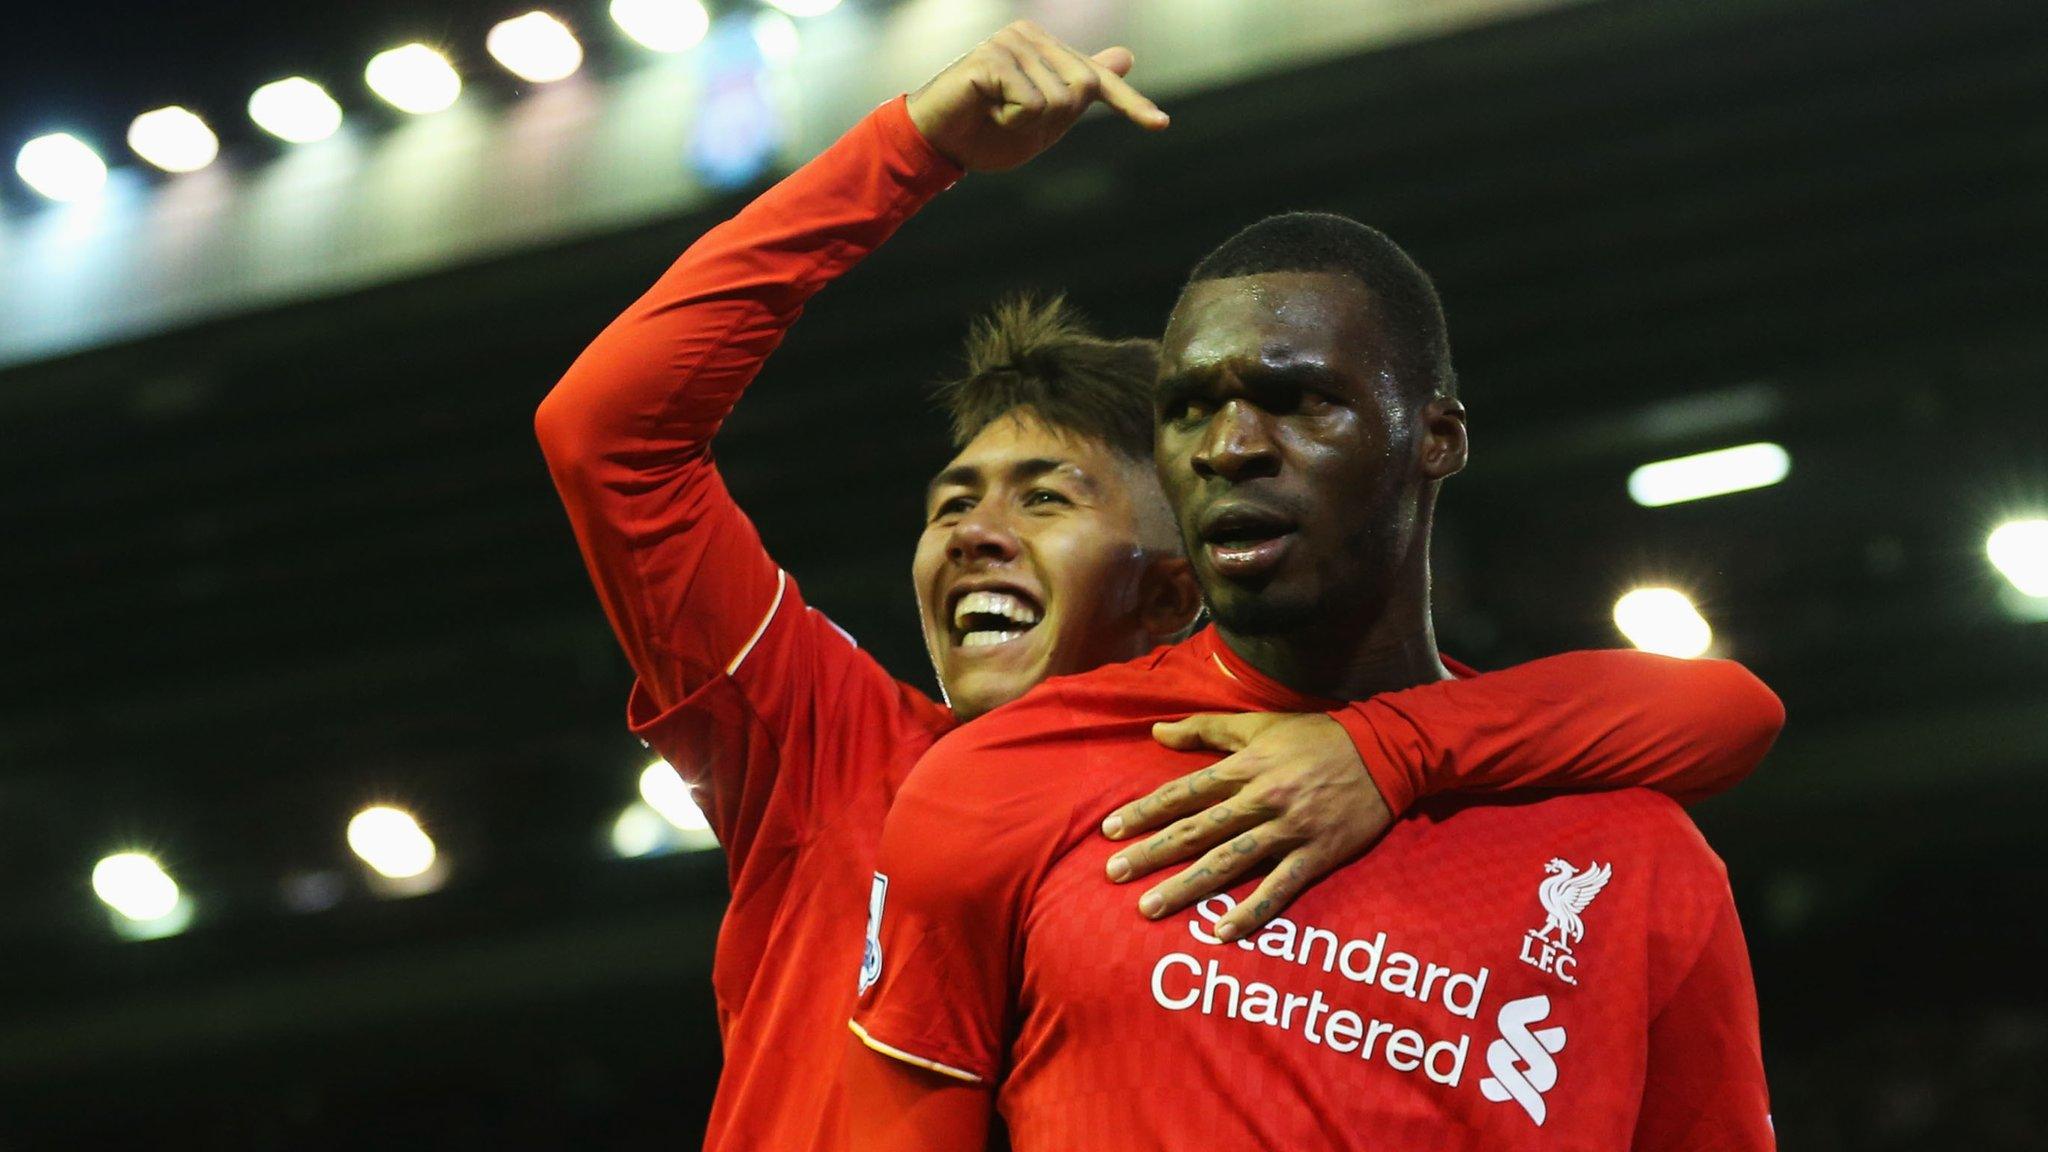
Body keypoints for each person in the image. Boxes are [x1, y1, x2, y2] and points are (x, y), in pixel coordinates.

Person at [536, 22, 1780, 1151]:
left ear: (1180, 568)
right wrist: (910, 149)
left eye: (1045, 497)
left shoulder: (1390, 793)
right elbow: (608, 436)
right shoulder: (850, 760)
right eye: (950, 501)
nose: (972, 531)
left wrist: (1387, 748)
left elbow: (1725, 713)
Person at [847, 211, 1778, 1150]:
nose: (1228, 447)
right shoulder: (1003, 779)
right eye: (1187, 410)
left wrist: (1387, 747)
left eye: (1295, 402)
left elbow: (1742, 712)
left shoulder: (1638, 855)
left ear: (1437, 438)